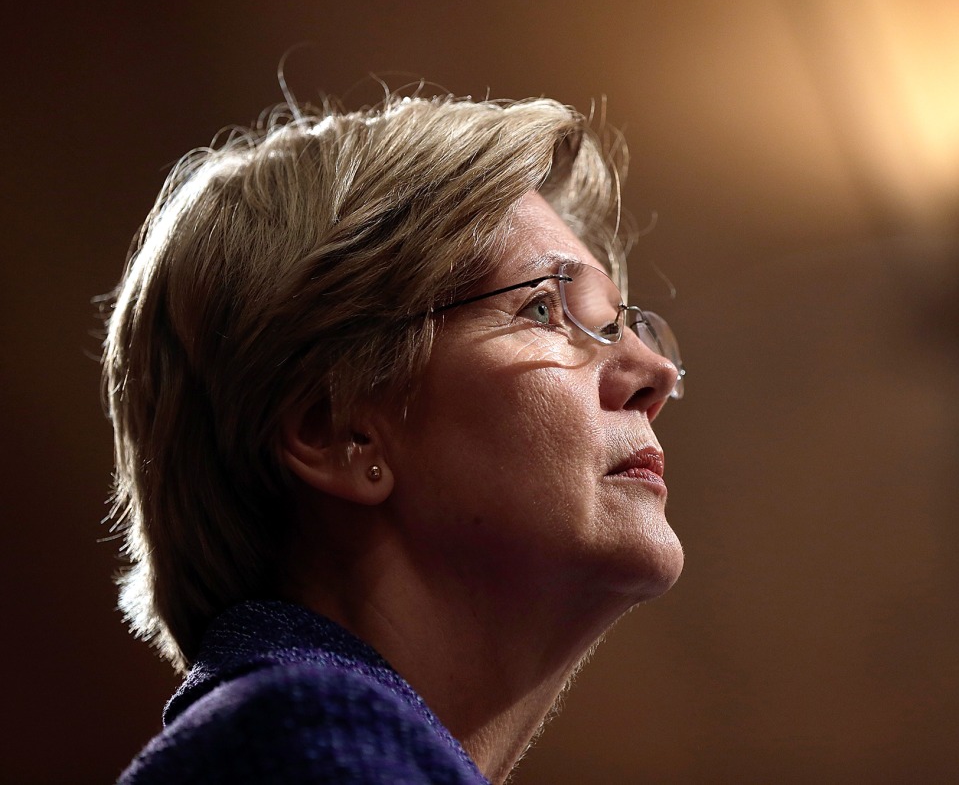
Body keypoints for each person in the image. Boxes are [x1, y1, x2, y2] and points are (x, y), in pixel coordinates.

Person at [101, 92, 686, 784]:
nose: (654, 373)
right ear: (337, 430)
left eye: (619, 324)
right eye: (543, 310)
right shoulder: (302, 737)